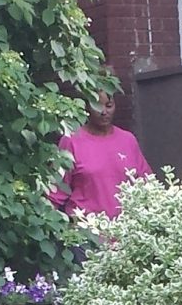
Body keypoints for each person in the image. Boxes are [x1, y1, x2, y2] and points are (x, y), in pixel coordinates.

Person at [50, 87, 151, 223]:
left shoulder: (128, 140)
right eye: (97, 106)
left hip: (127, 233)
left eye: (109, 105)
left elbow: (148, 185)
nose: (104, 112)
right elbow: (55, 192)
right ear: (86, 107)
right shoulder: (71, 141)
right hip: (87, 234)